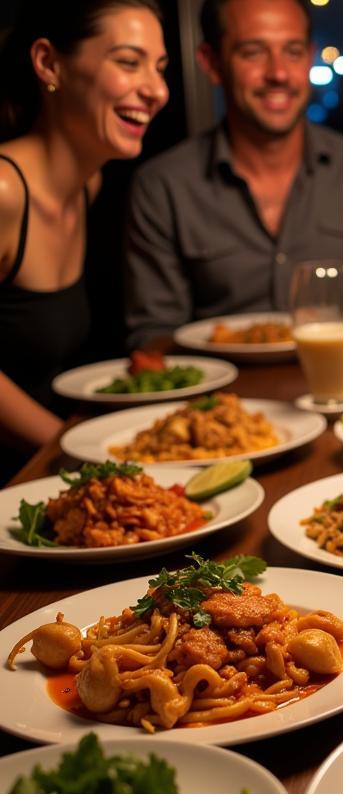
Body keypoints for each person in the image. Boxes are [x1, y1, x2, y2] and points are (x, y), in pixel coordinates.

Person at [124, 0, 343, 347]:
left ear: (310, 56)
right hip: (222, 396)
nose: (279, 73)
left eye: (293, 51)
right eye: (253, 53)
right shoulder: (163, 186)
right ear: (211, 63)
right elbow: (154, 339)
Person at [0, 0, 168, 467]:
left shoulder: (86, 186)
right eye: (129, 62)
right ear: (48, 63)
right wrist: (77, 449)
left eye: (159, 68)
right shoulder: (5, 190)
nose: (156, 89)